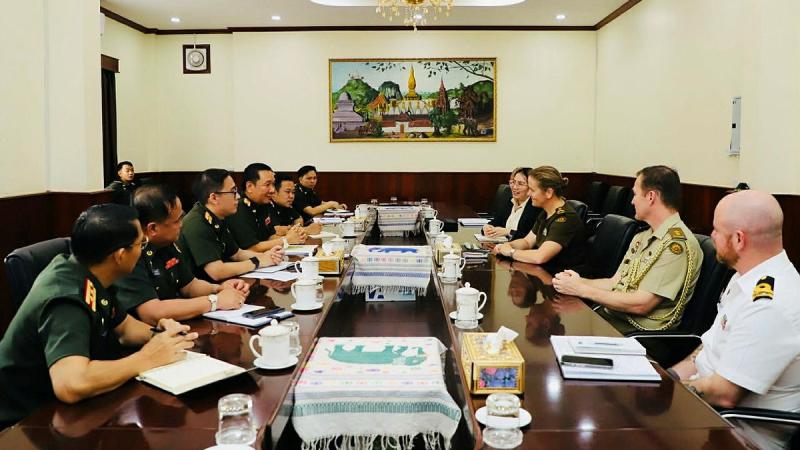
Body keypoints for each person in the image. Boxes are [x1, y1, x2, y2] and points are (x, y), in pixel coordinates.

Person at [0, 204, 197, 428]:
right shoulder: (66, 298)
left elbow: (125, 328)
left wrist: (162, 337)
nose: (144, 249)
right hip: (27, 423)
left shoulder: (91, 272)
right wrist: (147, 358)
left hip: (69, 414)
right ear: (120, 255)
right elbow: (71, 384)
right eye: (140, 244)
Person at [669, 190, 800, 450]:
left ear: (739, 239)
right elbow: (710, 346)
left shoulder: (770, 304)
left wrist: (668, 392)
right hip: (708, 413)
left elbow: (725, 393)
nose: (712, 235)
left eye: (716, 230)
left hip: (738, 435)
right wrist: (668, 376)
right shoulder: (745, 276)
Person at [552, 165, 702, 333]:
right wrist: (576, 282)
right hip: (613, 320)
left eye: (635, 194)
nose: (632, 201)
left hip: (638, 335)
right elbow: (615, 283)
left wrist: (582, 289)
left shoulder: (676, 245)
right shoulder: (643, 236)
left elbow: (641, 304)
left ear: (651, 196)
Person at [113, 184, 251, 325]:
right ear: (153, 228)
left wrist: (219, 288)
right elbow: (152, 313)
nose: (181, 224)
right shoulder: (129, 254)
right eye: (176, 220)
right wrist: (215, 301)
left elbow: (190, 286)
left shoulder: (167, 242)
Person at [178, 168, 284, 282]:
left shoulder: (218, 217)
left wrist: (266, 256)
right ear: (214, 198)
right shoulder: (196, 223)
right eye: (233, 192)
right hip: (203, 291)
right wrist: (257, 262)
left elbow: (237, 254)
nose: (238, 196)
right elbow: (217, 271)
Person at [492, 166, 587, 272]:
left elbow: (540, 257)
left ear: (549, 192)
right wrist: (507, 245)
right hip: (544, 273)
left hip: (561, 278)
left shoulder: (565, 219)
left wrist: (511, 252)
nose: (528, 194)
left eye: (532, 190)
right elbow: (527, 242)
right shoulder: (546, 212)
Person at [227, 163, 306, 252]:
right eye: (267, 185)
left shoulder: (264, 204)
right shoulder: (239, 208)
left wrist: (296, 236)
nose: (272, 190)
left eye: (273, 184)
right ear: (249, 186)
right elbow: (251, 248)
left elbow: (270, 236)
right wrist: (286, 240)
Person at [483, 167, 541, 241]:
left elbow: (532, 236)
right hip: (502, 246)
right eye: (513, 182)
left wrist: (509, 232)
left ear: (530, 187)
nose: (514, 187)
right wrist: (487, 227)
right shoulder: (510, 202)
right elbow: (495, 222)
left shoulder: (535, 207)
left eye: (520, 184)